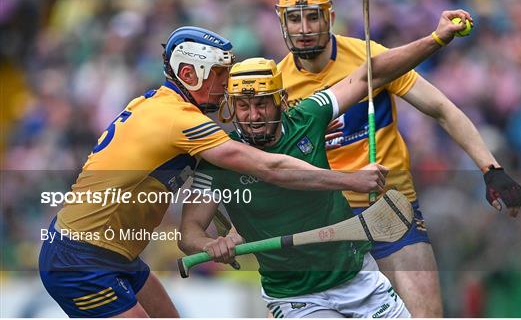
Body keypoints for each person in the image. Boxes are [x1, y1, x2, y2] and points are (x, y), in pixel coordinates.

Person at [38, 26, 389, 318]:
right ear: (189, 74)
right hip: (80, 259)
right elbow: (269, 168)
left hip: (114, 254)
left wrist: (294, 134)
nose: (227, 83)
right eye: (220, 74)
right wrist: (351, 179)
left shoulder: (156, 103)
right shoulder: (179, 120)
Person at [180, 9, 473, 318]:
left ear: (280, 99)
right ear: (230, 108)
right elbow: (189, 232)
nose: (253, 117)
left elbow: (369, 73)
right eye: (243, 106)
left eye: (262, 103)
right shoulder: (219, 159)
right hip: (294, 298)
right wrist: (210, 245)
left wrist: (436, 39)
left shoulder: (309, 116)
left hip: (358, 279)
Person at [274, 0, 521, 317]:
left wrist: (490, 169)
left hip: (389, 211)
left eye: (313, 17)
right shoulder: (275, 85)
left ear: (330, 17)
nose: (304, 28)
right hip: (324, 223)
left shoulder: (370, 56)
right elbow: (268, 165)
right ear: (282, 23)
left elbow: (442, 109)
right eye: (294, 19)